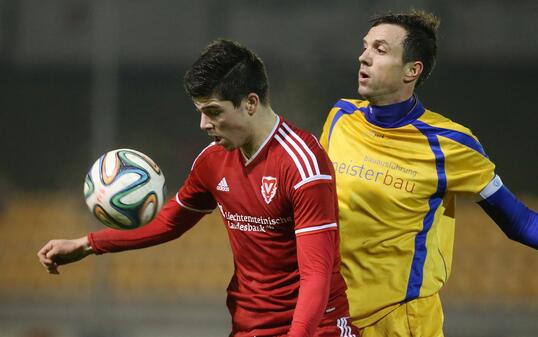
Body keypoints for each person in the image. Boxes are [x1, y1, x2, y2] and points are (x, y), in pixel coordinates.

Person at [38, 39, 359, 337]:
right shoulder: (212, 161)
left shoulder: (303, 164)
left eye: (214, 112)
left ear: (250, 103)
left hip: (316, 329)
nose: (204, 125)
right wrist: (86, 244)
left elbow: (316, 275)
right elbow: (168, 222)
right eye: (201, 112)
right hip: (249, 328)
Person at [319, 10, 538, 337]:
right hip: (335, 317)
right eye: (365, 47)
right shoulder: (340, 117)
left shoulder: (451, 144)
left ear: (412, 70)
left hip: (402, 322)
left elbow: (519, 222)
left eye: (380, 50)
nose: (363, 57)